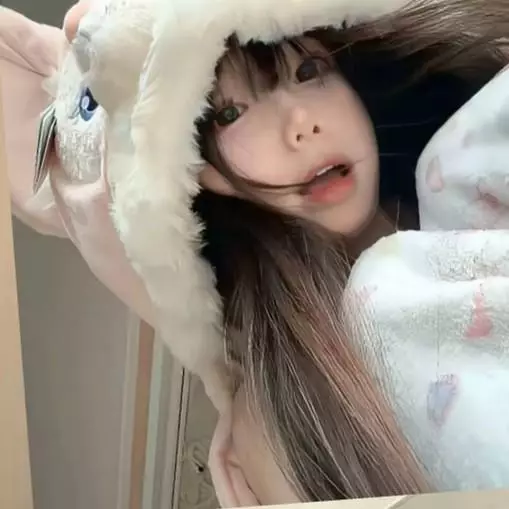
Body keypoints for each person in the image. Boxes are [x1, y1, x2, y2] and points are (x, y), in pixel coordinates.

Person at [4, 0, 509, 504]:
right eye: (231, 114)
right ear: (200, 173)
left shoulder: (469, 159)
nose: (300, 125)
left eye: (309, 71)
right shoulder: (279, 414)